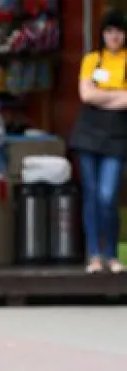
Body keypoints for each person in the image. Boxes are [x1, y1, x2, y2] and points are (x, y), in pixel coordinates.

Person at [69, 9, 127, 274]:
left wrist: (101, 95)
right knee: (91, 195)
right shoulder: (92, 60)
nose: (114, 36)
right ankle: (94, 254)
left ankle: (112, 254)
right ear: (103, 34)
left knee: (108, 196)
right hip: (88, 135)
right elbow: (85, 95)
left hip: (116, 136)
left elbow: (96, 96)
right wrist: (117, 96)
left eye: (118, 31)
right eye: (109, 31)